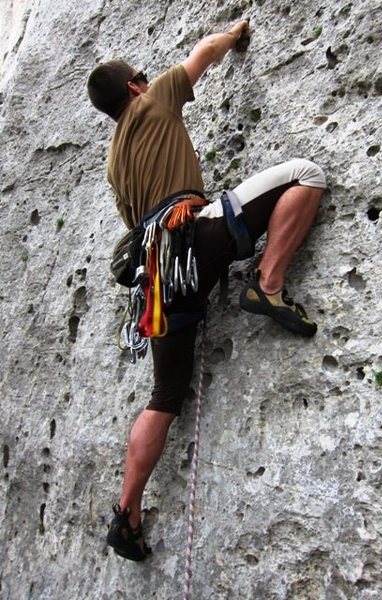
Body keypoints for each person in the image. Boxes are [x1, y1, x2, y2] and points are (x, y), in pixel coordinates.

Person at [87, 20, 326, 562]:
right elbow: (205, 53)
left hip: (156, 283)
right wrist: (237, 29)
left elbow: (136, 220)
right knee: (305, 173)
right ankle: (267, 286)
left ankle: (126, 513)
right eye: (143, 78)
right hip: (194, 239)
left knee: (165, 397)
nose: (149, 81)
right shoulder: (155, 100)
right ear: (134, 87)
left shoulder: (113, 164)